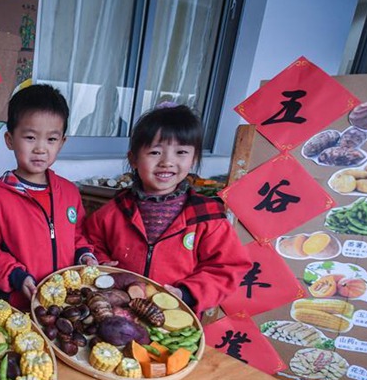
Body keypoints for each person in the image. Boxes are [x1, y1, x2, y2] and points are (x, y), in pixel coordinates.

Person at [83, 104, 250, 313]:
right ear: (133, 159)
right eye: (155, 152)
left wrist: (186, 294)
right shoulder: (112, 212)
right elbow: (90, 243)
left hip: (176, 321)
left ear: (194, 159)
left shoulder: (207, 217)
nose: (167, 162)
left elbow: (227, 266)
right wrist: (103, 264)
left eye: (181, 152)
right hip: (118, 315)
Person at [0, 84, 96, 310]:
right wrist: (16, 276)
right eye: (30, 137)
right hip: (20, 304)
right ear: (10, 139)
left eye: (51, 139)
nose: (40, 148)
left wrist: (85, 255)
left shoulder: (69, 192)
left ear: (62, 143)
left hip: (66, 303)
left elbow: (78, 236)